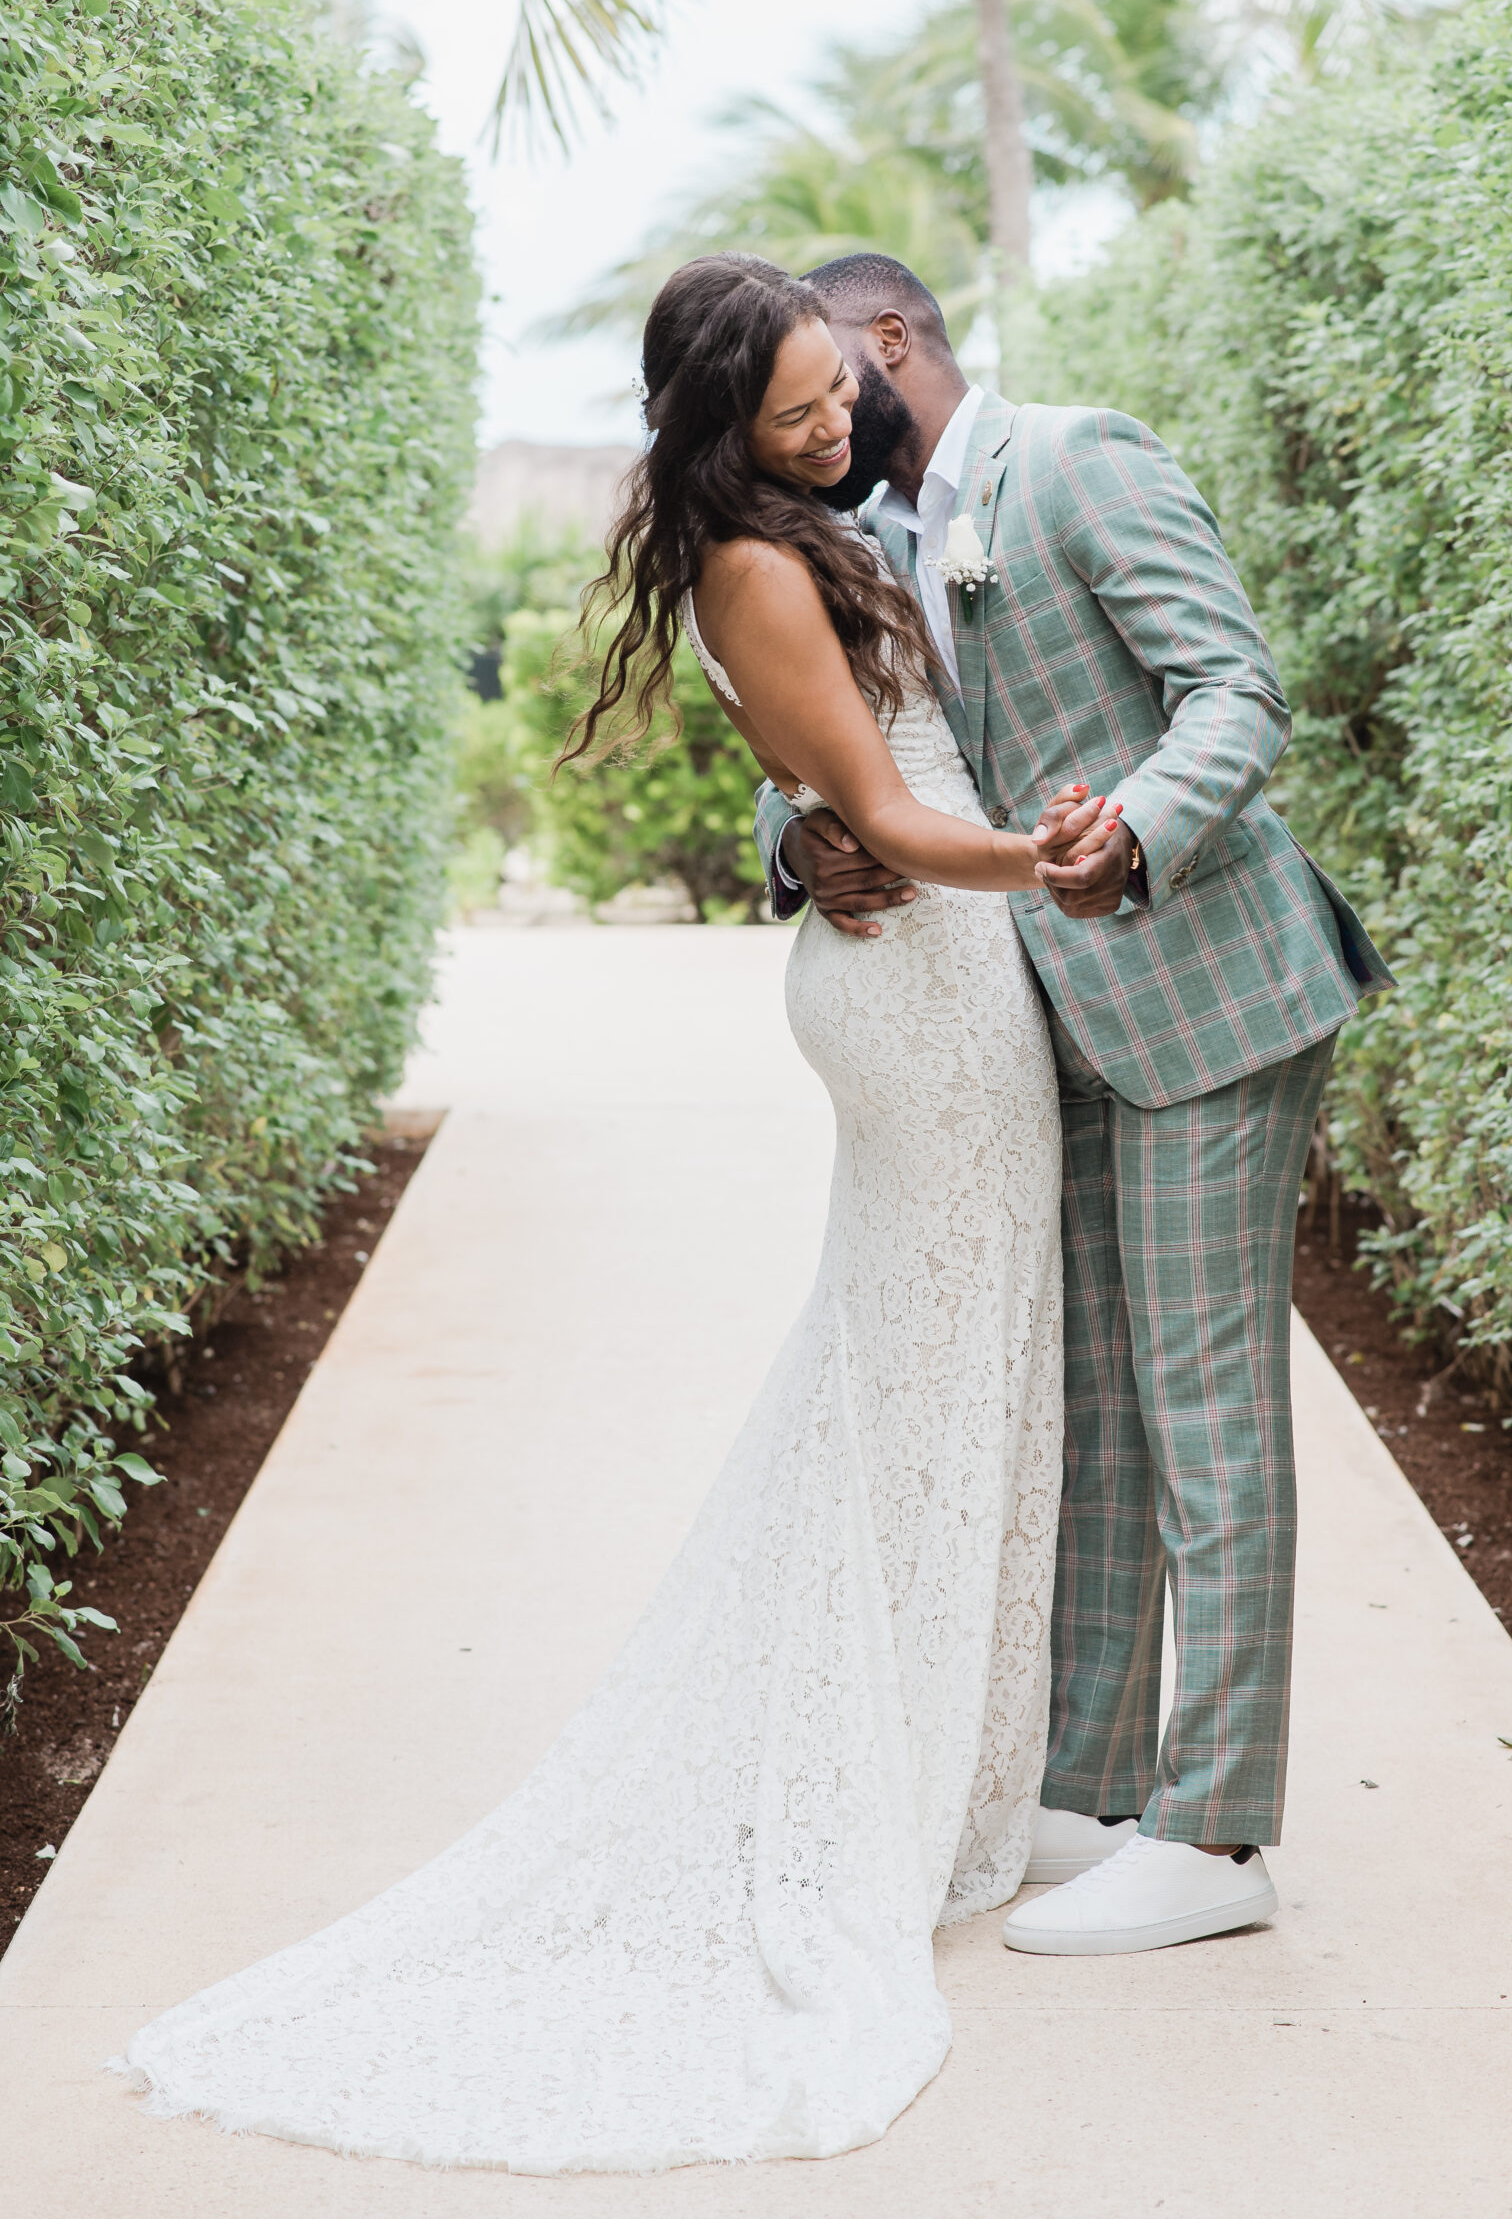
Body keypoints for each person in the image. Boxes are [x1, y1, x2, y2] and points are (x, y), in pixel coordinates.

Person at [111, 254, 1109, 2173]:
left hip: (937, 978)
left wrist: (950, 855)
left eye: (840, 391)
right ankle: (872, 1800)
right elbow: (885, 824)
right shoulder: (760, 562)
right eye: (800, 411)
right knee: (913, 1386)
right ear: (721, 424)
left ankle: (948, 1785)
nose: (839, 425)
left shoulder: (791, 530)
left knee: (952, 1373)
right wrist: (1050, 862)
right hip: (920, 981)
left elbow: (848, 786)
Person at [755, 250, 1391, 1959]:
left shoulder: (1079, 459)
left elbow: (1236, 691)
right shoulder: (864, 542)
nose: (811, 424)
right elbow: (835, 761)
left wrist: (1137, 824)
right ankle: (1092, 1791)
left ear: (889, 342)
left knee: (1202, 1410)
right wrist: (801, 840)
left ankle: (1216, 1831)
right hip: (1042, 1034)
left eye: (825, 381)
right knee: (1098, 1415)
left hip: (1204, 992)